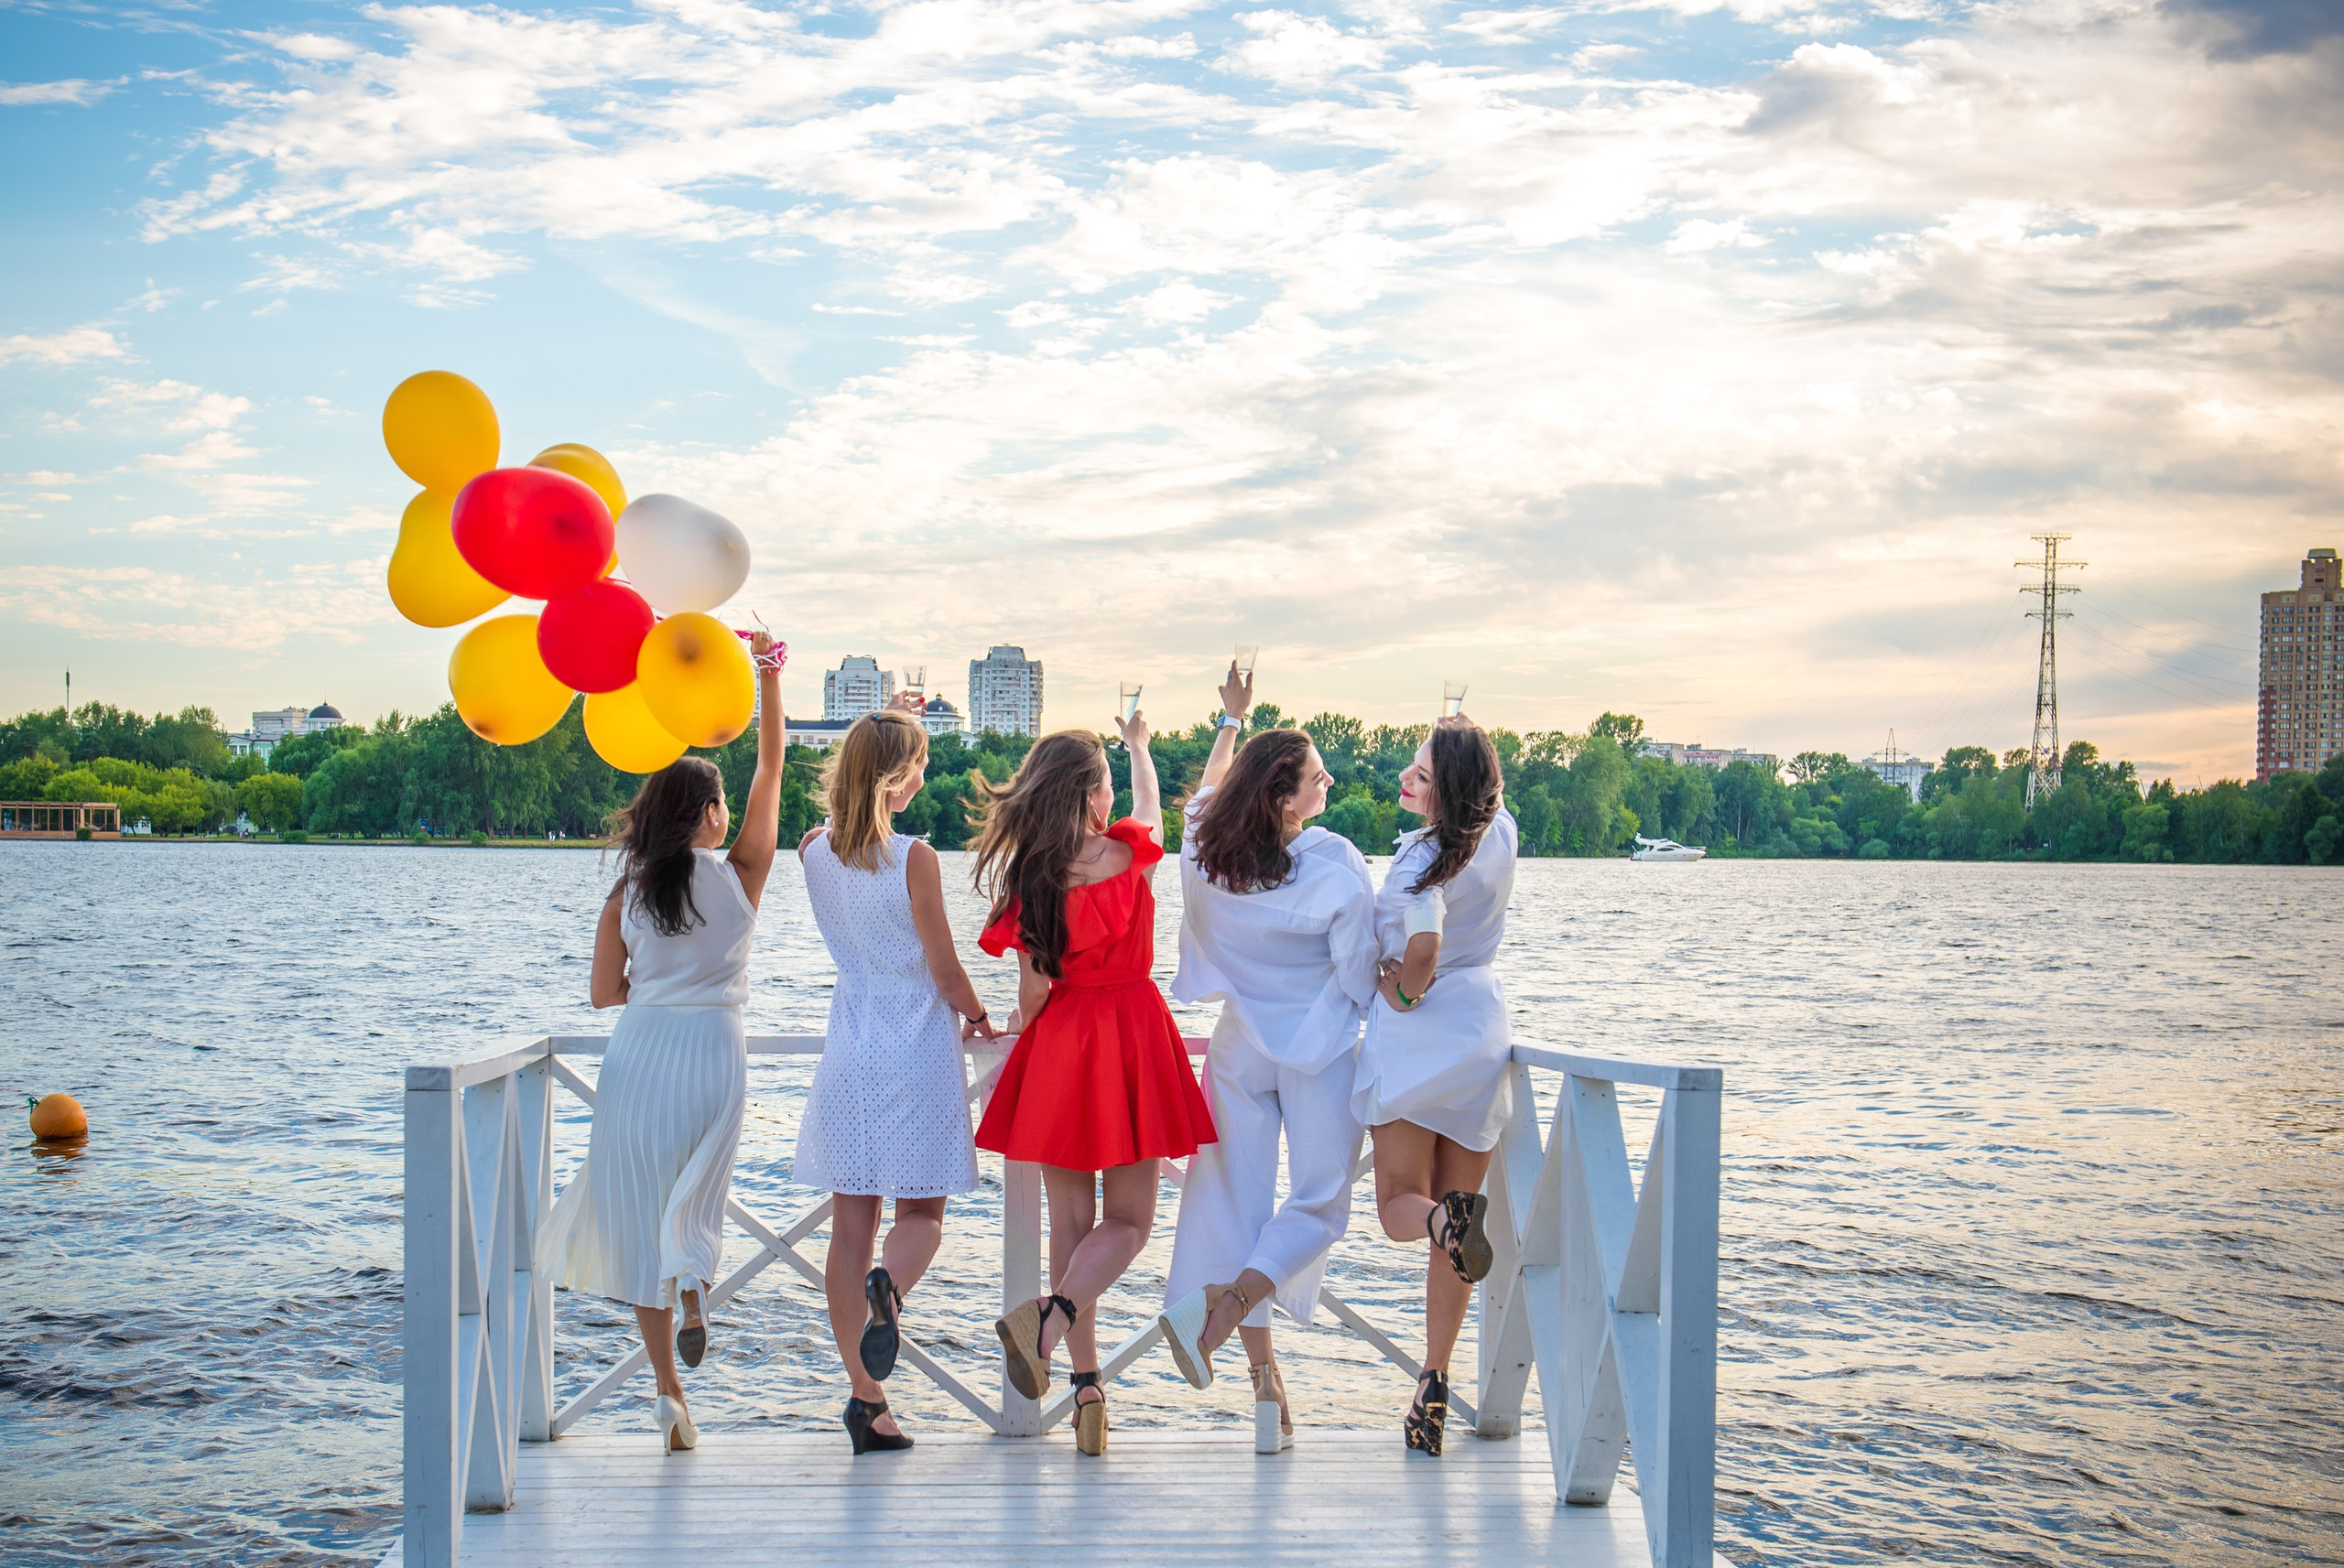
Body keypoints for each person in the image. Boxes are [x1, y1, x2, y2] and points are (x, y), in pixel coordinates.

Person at [538, 632, 787, 1455]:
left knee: (642, 1220)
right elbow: (771, 773)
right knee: (698, 1196)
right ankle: (695, 1291)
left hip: (641, 1054)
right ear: (710, 813)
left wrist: (654, 980)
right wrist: (769, 676)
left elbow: (604, 994)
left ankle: (669, 1395)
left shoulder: (628, 891)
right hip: (716, 1051)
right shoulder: (740, 873)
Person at [971, 715, 1215, 1456]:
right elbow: (1149, 808)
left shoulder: (1032, 882)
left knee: (1071, 1229)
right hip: (1132, 1035)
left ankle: (1086, 1389)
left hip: (1062, 1046)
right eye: (1105, 781)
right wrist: (1141, 743)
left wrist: (1018, 1017)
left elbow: (1035, 993)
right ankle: (1052, 1322)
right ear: (1090, 794)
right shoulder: (1127, 853)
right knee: (1131, 1223)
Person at [1156, 665, 1377, 1454]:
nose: (1330, 779)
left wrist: (1230, 720)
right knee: (1318, 1203)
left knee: (1231, 1199)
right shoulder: (1335, 867)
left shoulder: (1204, 853)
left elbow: (1207, 797)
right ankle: (1223, 1307)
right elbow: (1359, 976)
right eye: (1318, 773)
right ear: (1285, 801)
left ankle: (1263, 1382)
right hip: (1318, 1055)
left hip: (1241, 1044)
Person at [793, 697, 998, 1455]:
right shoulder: (913, 856)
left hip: (849, 1047)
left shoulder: (813, 848)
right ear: (897, 778)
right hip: (913, 1048)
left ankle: (866, 1400)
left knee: (850, 1231)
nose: (922, 779)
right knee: (923, 1217)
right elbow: (944, 968)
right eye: (917, 767)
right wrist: (979, 1015)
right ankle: (892, 1289)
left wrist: (889, 719)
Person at [1352, 715, 1516, 1457]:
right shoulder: (1504, 835)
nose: (1405, 780)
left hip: (1419, 1039)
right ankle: (1434, 1376)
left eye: (1419, 772)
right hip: (1480, 1035)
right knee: (1458, 1216)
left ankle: (1445, 1223)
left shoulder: (1422, 859)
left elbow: (1422, 946)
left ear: (1447, 788)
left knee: (1400, 1208)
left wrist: (1405, 993)